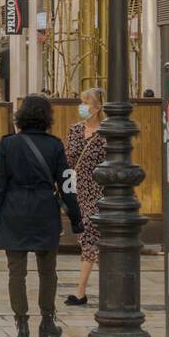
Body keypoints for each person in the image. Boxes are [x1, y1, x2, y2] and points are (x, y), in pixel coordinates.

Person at [0, 94, 83, 337]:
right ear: (47, 116)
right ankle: (47, 320)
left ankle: (22, 325)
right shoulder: (55, 145)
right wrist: (76, 218)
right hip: (44, 211)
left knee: (17, 273)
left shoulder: (8, 144)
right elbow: (68, 185)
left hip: (13, 210)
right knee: (48, 271)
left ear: (22, 115)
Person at [64, 87, 106, 306]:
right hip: (78, 191)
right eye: (81, 102)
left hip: (99, 192)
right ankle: (112, 283)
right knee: (87, 238)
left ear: (98, 107)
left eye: (86, 103)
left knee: (89, 233)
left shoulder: (108, 132)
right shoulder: (75, 130)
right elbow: (67, 161)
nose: (82, 107)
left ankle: (80, 290)